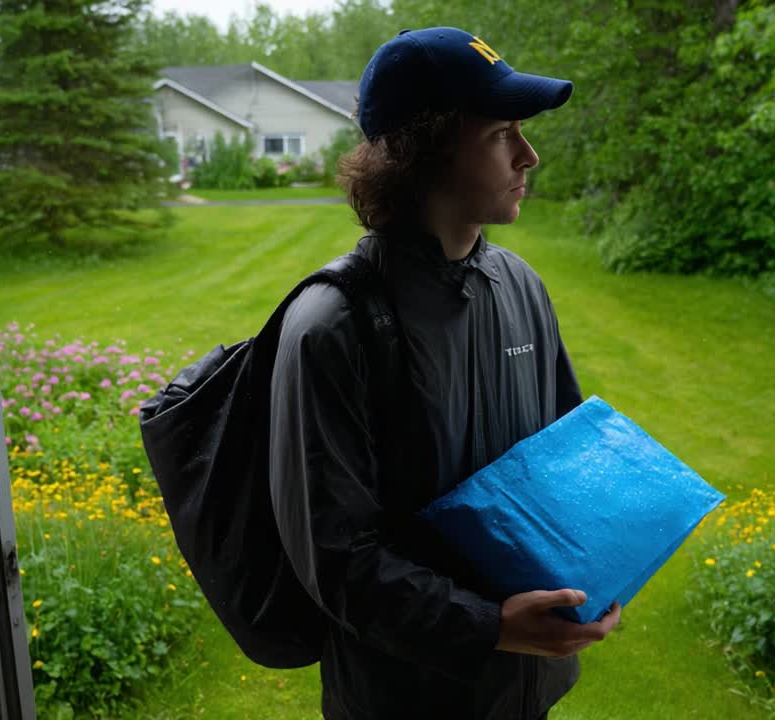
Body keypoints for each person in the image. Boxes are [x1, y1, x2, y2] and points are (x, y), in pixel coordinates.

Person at [269, 26, 621, 719]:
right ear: (423, 153)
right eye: (501, 135)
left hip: (524, 692)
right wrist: (489, 627)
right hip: (403, 695)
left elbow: (563, 468)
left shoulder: (520, 286)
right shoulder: (332, 325)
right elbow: (334, 559)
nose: (530, 155)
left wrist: (601, 568)